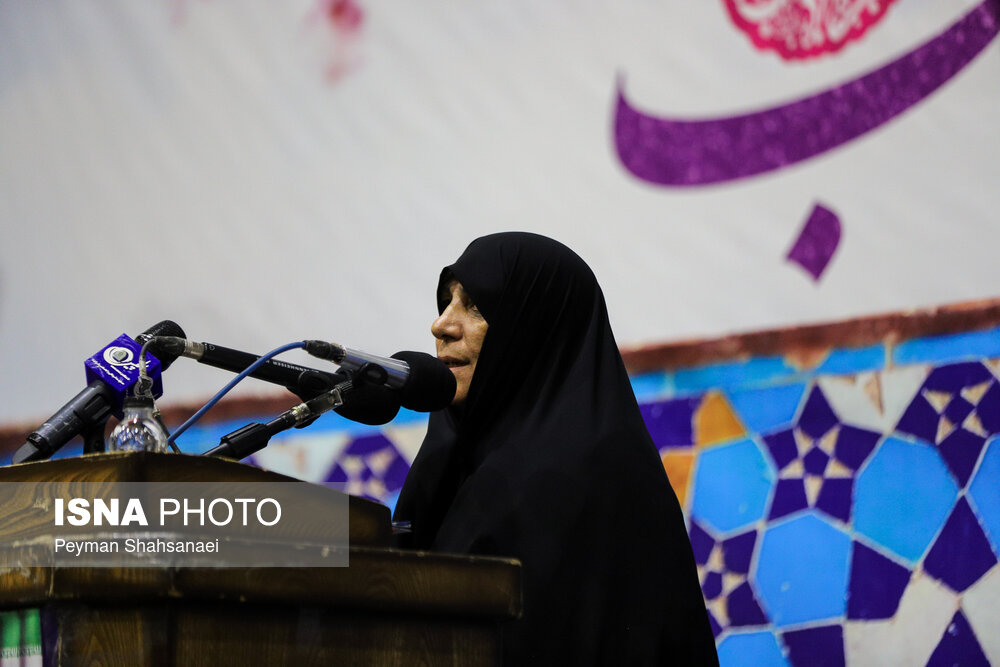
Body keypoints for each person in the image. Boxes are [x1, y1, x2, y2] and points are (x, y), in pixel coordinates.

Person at [393, 232, 718, 665]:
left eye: (475, 306)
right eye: (446, 302)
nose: (442, 325)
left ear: (533, 329)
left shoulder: (584, 472)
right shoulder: (450, 458)